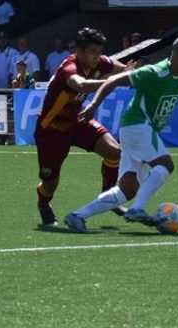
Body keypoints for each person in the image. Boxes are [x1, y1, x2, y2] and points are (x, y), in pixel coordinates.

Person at [64, 35, 178, 232]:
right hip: (138, 124)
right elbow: (113, 81)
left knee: (126, 190)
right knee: (166, 164)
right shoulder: (154, 72)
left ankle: (78, 215)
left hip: (134, 130)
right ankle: (137, 209)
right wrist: (93, 105)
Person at [32, 27, 133, 227]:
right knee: (50, 183)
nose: (97, 57)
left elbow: (121, 69)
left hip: (77, 121)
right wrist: (112, 82)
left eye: (99, 52)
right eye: (92, 52)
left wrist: (135, 72)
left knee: (114, 152)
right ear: (78, 51)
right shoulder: (69, 69)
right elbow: (81, 85)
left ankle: (109, 197)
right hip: (51, 130)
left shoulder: (99, 61)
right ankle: (43, 203)